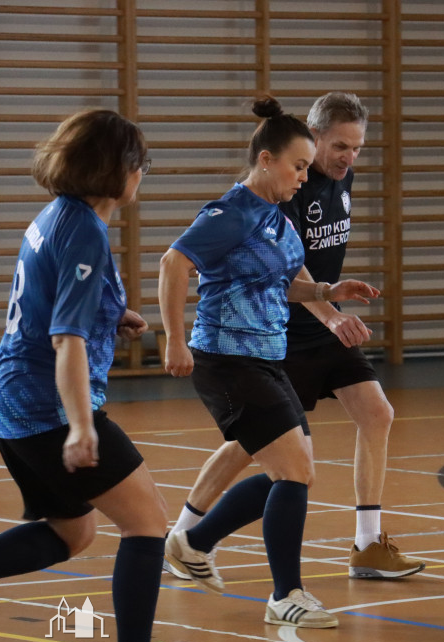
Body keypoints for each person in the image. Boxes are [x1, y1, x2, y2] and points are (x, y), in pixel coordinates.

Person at [0, 110, 196, 642]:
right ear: (116, 168)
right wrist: (81, 425)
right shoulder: (86, 229)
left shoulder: (57, 216)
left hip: (13, 394)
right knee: (146, 523)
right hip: (46, 402)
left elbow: (52, 298)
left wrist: (113, 314)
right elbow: (63, 335)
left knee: (75, 530)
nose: (143, 173)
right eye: (139, 163)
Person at [164, 92, 424, 580]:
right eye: (340, 146)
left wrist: (331, 293)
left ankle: (366, 544)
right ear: (313, 137)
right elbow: (280, 261)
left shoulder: (334, 181)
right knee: (260, 450)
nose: (349, 157)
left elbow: (292, 264)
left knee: (373, 415)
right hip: (281, 333)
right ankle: (190, 538)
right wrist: (326, 310)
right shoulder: (279, 191)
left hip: (314, 323)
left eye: (358, 148)